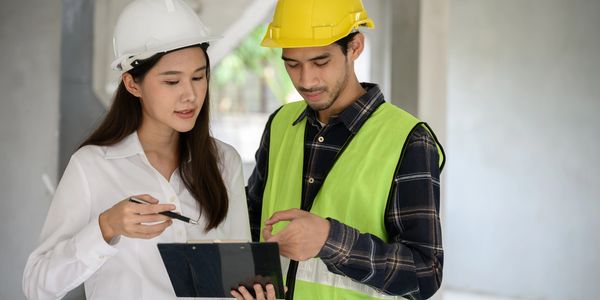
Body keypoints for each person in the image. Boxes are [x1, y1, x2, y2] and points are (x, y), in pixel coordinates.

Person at [22, 0, 250, 299]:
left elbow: (242, 275)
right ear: (132, 84)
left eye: (199, 76)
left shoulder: (224, 161)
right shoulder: (92, 166)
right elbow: (37, 286)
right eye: (171, 81)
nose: (191, 95)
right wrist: (106, 227)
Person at [243, 0, 446, 299]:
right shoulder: (280, 124)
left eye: (321, 62)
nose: (305, 80)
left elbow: (425, 274)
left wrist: (329, 239)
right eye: (292, 64)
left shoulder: (409, 140)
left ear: (355, 47)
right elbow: (252, 225)